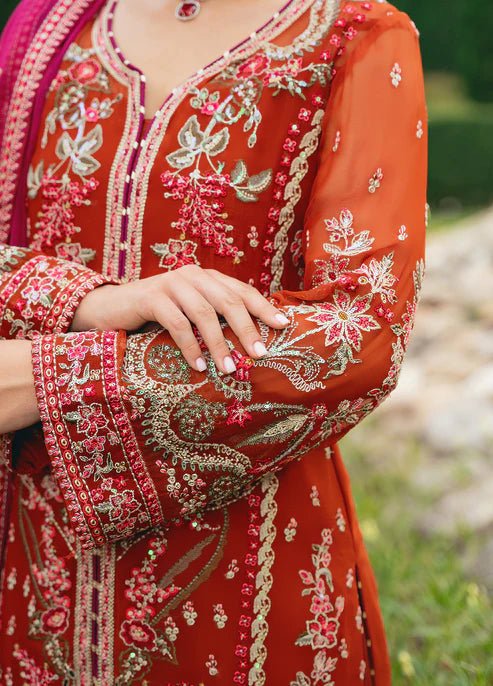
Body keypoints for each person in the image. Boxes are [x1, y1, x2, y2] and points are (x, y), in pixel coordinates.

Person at [0, 0, 427, 682]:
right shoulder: (52, 31)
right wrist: (85, 300)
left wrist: (47, 376)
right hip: (29, 557)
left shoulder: (354, 37)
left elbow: (360, 332)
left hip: (252, 571)